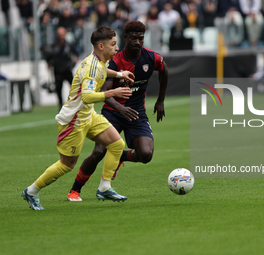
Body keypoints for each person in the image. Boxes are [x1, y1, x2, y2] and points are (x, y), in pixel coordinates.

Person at [21, 26, 135, 210]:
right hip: (73, 121)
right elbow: (87, 96)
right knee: (67, 165)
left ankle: (104, 187)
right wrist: (112, 92)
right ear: (100, 46)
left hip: (88, 115)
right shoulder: (91, 66)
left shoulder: (98, 60)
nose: (117, 48)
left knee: (116, 144)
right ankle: (32, 191)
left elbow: (103, 71)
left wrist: (120, 74)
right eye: (113, 44)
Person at [67, 20, 168, 202]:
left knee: (146, 155)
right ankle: (75, 190)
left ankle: (120, 156)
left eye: (141, 38)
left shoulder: (151, 57)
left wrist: (160, 100)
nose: (137, 42)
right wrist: (121, 108)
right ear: (126, 38)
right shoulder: (114, 61)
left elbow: (164, 70)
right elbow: (105, 93)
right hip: (113, 111)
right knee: (98, 152)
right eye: (134, 38)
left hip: (136, 112)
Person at [41, 27, 79, 110]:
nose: (61, 36)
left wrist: (74, 62)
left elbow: (76, 54)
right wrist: (48, 64)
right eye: (59, 34)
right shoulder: (54, 46)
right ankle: (60, 106)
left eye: (62, 34)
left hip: (67, 70)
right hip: (57, 71)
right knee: (58, 89)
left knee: (74, 87)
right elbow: (48, 56)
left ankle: (76, 103)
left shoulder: (69, 45)